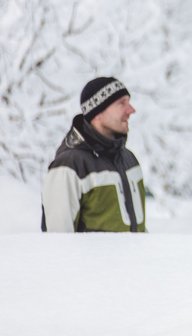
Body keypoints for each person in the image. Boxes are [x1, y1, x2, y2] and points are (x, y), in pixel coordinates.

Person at [41, 76, 147, 232]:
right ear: (97, 113)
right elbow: (57, 242)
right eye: (121, 103)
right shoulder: (70, 165)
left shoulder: (128, 159)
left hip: (134, 257)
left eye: (128, 102)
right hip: (92, 258)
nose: (131, 110)